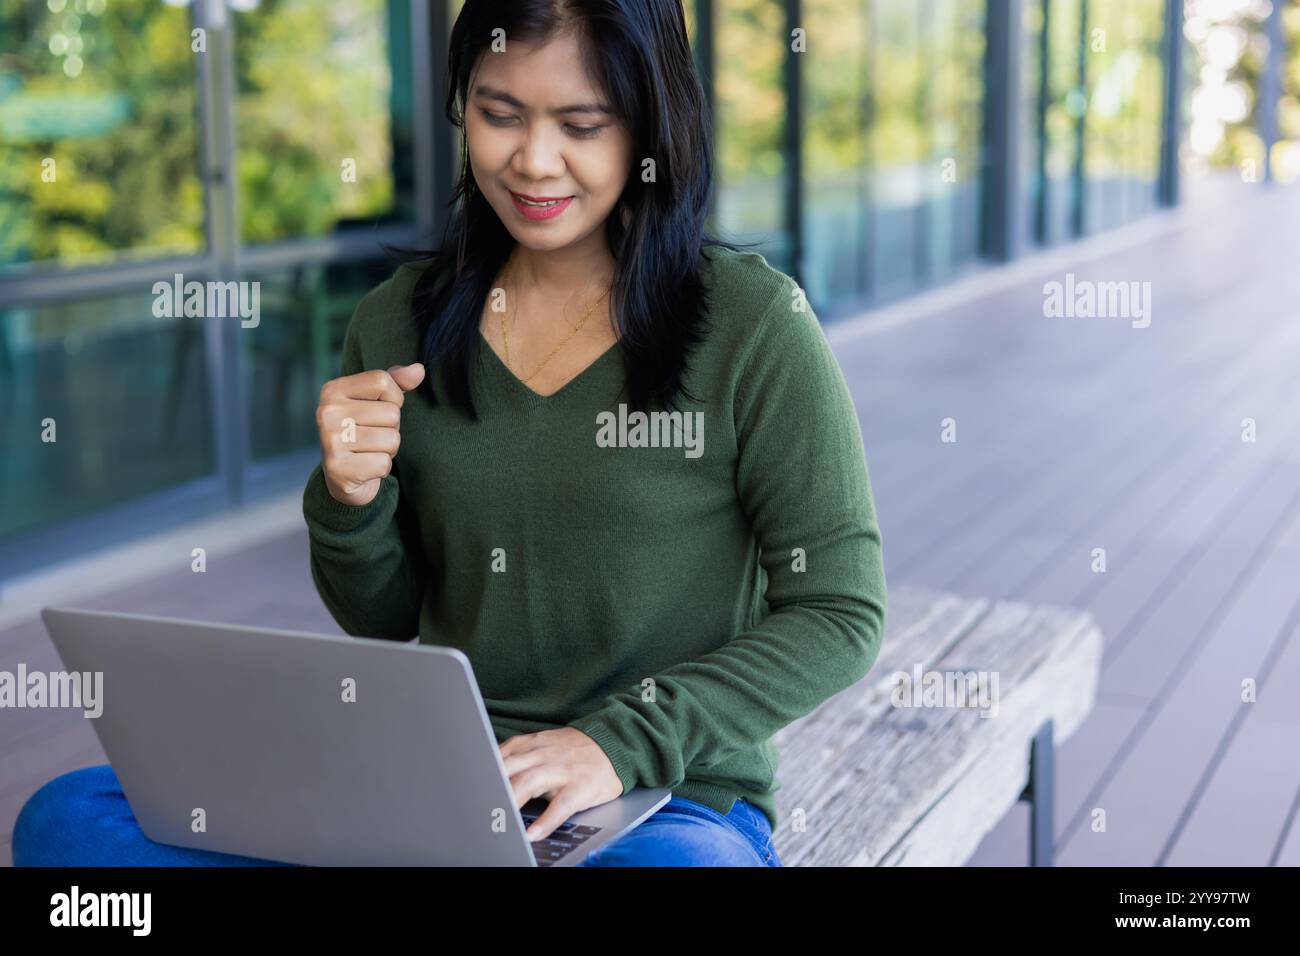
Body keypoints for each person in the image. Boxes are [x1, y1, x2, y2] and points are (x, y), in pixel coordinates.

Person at [13, 0, 885, 868]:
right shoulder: (396, 324)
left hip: (658, 803)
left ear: (653, 125)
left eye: (582, 124)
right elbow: (384, 622)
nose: (533, 162)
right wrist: (350, 501)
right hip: (433, 779)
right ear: (461, 105)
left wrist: (619, 743)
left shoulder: (753, 323)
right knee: (70, 821)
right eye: (499, 114)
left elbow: (841, 611)